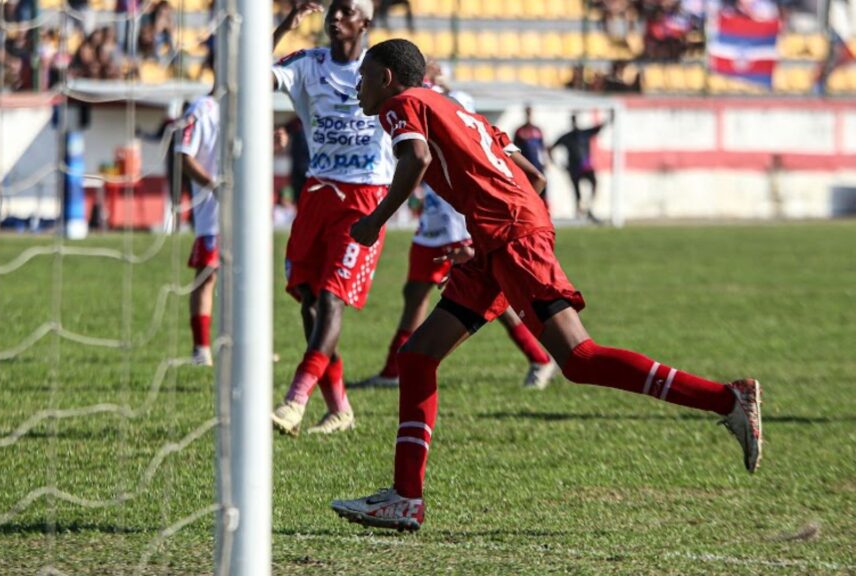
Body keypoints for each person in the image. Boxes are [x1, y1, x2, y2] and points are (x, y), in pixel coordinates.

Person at [330, 39, 762, 531]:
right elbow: (532, 177)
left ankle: (727, 399)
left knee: (578, 358)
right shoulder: (458, 109)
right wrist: (488, 239)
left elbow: (416, 159)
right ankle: (405, 498)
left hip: (510, 237)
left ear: (386, 77)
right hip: (503, 237)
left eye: (364, 76)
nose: (358, 86)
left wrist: (376, 221)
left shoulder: (403, 104)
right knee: (417, 356)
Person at [354, 92, 557, 391]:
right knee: (415, 293)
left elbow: (528, 176)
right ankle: (392, 370)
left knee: (491, 303)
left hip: (463, 226)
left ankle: (539, 357)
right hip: (432, 225)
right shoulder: (417, 108)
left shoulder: (460, 113)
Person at [269, 0, 396, 435]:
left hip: (365, 195)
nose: (334, 18)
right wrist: (286, 22)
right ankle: (339, 407)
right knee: (307, 299)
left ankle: (295, 400)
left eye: (345, 11)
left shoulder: (385, 70)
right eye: (332, 11)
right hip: (318, 191)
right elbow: (253, 76)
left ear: (365, 21)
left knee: (330, 298)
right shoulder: (309, 64)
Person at [174, 94, 222, 366]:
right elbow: (184, 154)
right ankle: (201, 349)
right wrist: (214, 185)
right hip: (212, 215)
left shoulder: (251, 104)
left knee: (246, 282)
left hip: (248, 216)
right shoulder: (202, 109)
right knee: (207, 276)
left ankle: (248, 349)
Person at [549, 114, 605, 222]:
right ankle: (579, 213)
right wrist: (558, 164)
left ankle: (589, 208)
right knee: (577, 191)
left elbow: (600, 127)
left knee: (594, 184)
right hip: (574, 168)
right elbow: (551, 148)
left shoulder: (585, 133)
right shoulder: (567, 137)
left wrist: (609, 116)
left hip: (586, 166)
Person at [512, 106, 549, 207]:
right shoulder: (519, 131)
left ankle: (544, 210)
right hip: (527, 166)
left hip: (538, 165)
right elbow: (514, 149)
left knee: (543, 186)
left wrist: (546, 161)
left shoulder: (537, 130)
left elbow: (542, 147)